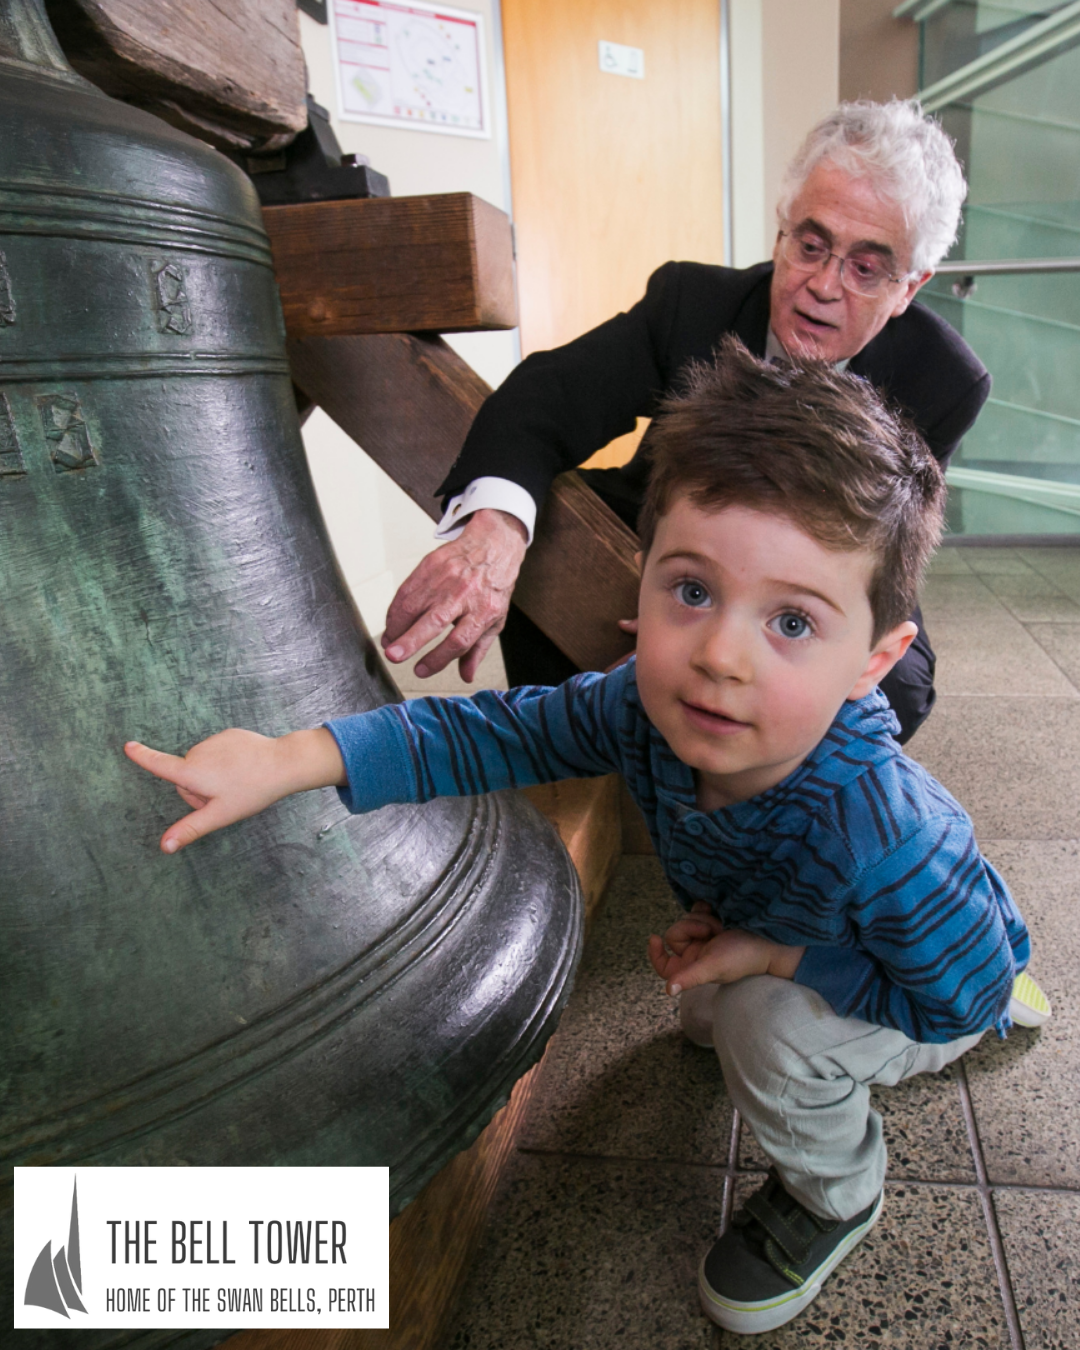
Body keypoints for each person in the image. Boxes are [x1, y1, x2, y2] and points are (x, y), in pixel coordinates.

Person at [125, 342, 1046, 1335]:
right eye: (691, 591)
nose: (719, 657)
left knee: (761, 1029)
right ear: (643, 579)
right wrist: (291, 758)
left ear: (875, 662)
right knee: (713, 1017)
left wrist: (773, 953)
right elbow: (490, 732)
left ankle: (838, 1194)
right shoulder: (637, 708)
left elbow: (958, 988)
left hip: (939, 977)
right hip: (832, 925)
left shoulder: (890, 836)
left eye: (790, 622)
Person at [380, 99, 990, 744]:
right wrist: (494, 531)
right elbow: (547, 398)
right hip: (659, 527)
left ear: (908, 288)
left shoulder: (944, 379)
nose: (823, 285)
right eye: (810, 246)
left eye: (865, 268)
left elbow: (881, 551)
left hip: (821, 563)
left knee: (899, 685)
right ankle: (571, 744)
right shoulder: (692, 304)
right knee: (552, 522)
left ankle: (752, 793)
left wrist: (724, 609)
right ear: (781, 234)